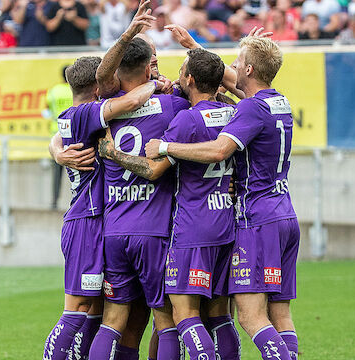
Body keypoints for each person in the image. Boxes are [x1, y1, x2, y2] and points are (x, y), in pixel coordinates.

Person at [145, 34, 300, 360]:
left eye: (237, 62)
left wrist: (165, 147)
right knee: (279, 315)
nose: (232, 68)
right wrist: (193, 45)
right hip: (284, 212)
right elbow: (228, 80)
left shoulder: (249, 109)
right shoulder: (277, 100)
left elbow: (219, 150)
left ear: (250, 68)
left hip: (256, 218)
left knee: (250, 316)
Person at [99, 47, 242, 360]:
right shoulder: (228, 113)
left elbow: (153, 170)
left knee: (173, 316)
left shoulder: (177, 117)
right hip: (223, 222)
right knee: (217, 313)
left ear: (189, 78)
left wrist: (112, 153)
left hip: (185, 228)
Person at [86, 1, 192, 358]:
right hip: (154, 231)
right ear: (149, 67)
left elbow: (102, 76)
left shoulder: (107, 107)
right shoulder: (172, 105)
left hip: (114, 231)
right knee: (166, 319)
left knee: (115, 319)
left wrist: (130, 32)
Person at [44, 55, 162, 360]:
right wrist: (156, 82)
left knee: (95, 312)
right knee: (77, 310)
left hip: (101, 221)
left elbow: (57, 136)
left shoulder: (77, 116)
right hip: (85, 221)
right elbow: (133, 100)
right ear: (99, 86)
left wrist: (56, 151)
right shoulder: (87, 112)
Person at [46, 66, 73, 209]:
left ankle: (54, 201)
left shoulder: (54, 91)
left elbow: (47, 109)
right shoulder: (75, 89)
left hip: (56, 133)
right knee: (77, 169)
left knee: (57, 172)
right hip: (74, 134)